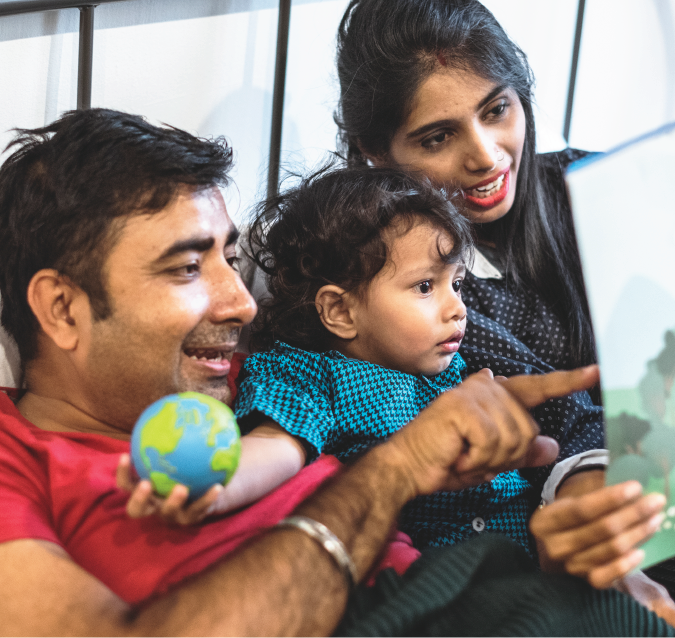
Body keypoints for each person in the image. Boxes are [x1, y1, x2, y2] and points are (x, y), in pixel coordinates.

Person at [0, 108, 672, 636]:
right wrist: (397, 469)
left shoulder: (270, 364)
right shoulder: (14, 464)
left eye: (229, 259)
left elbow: (531, 394)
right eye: (184, 267)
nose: (240, 302)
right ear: (62, 308)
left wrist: (575, 496)